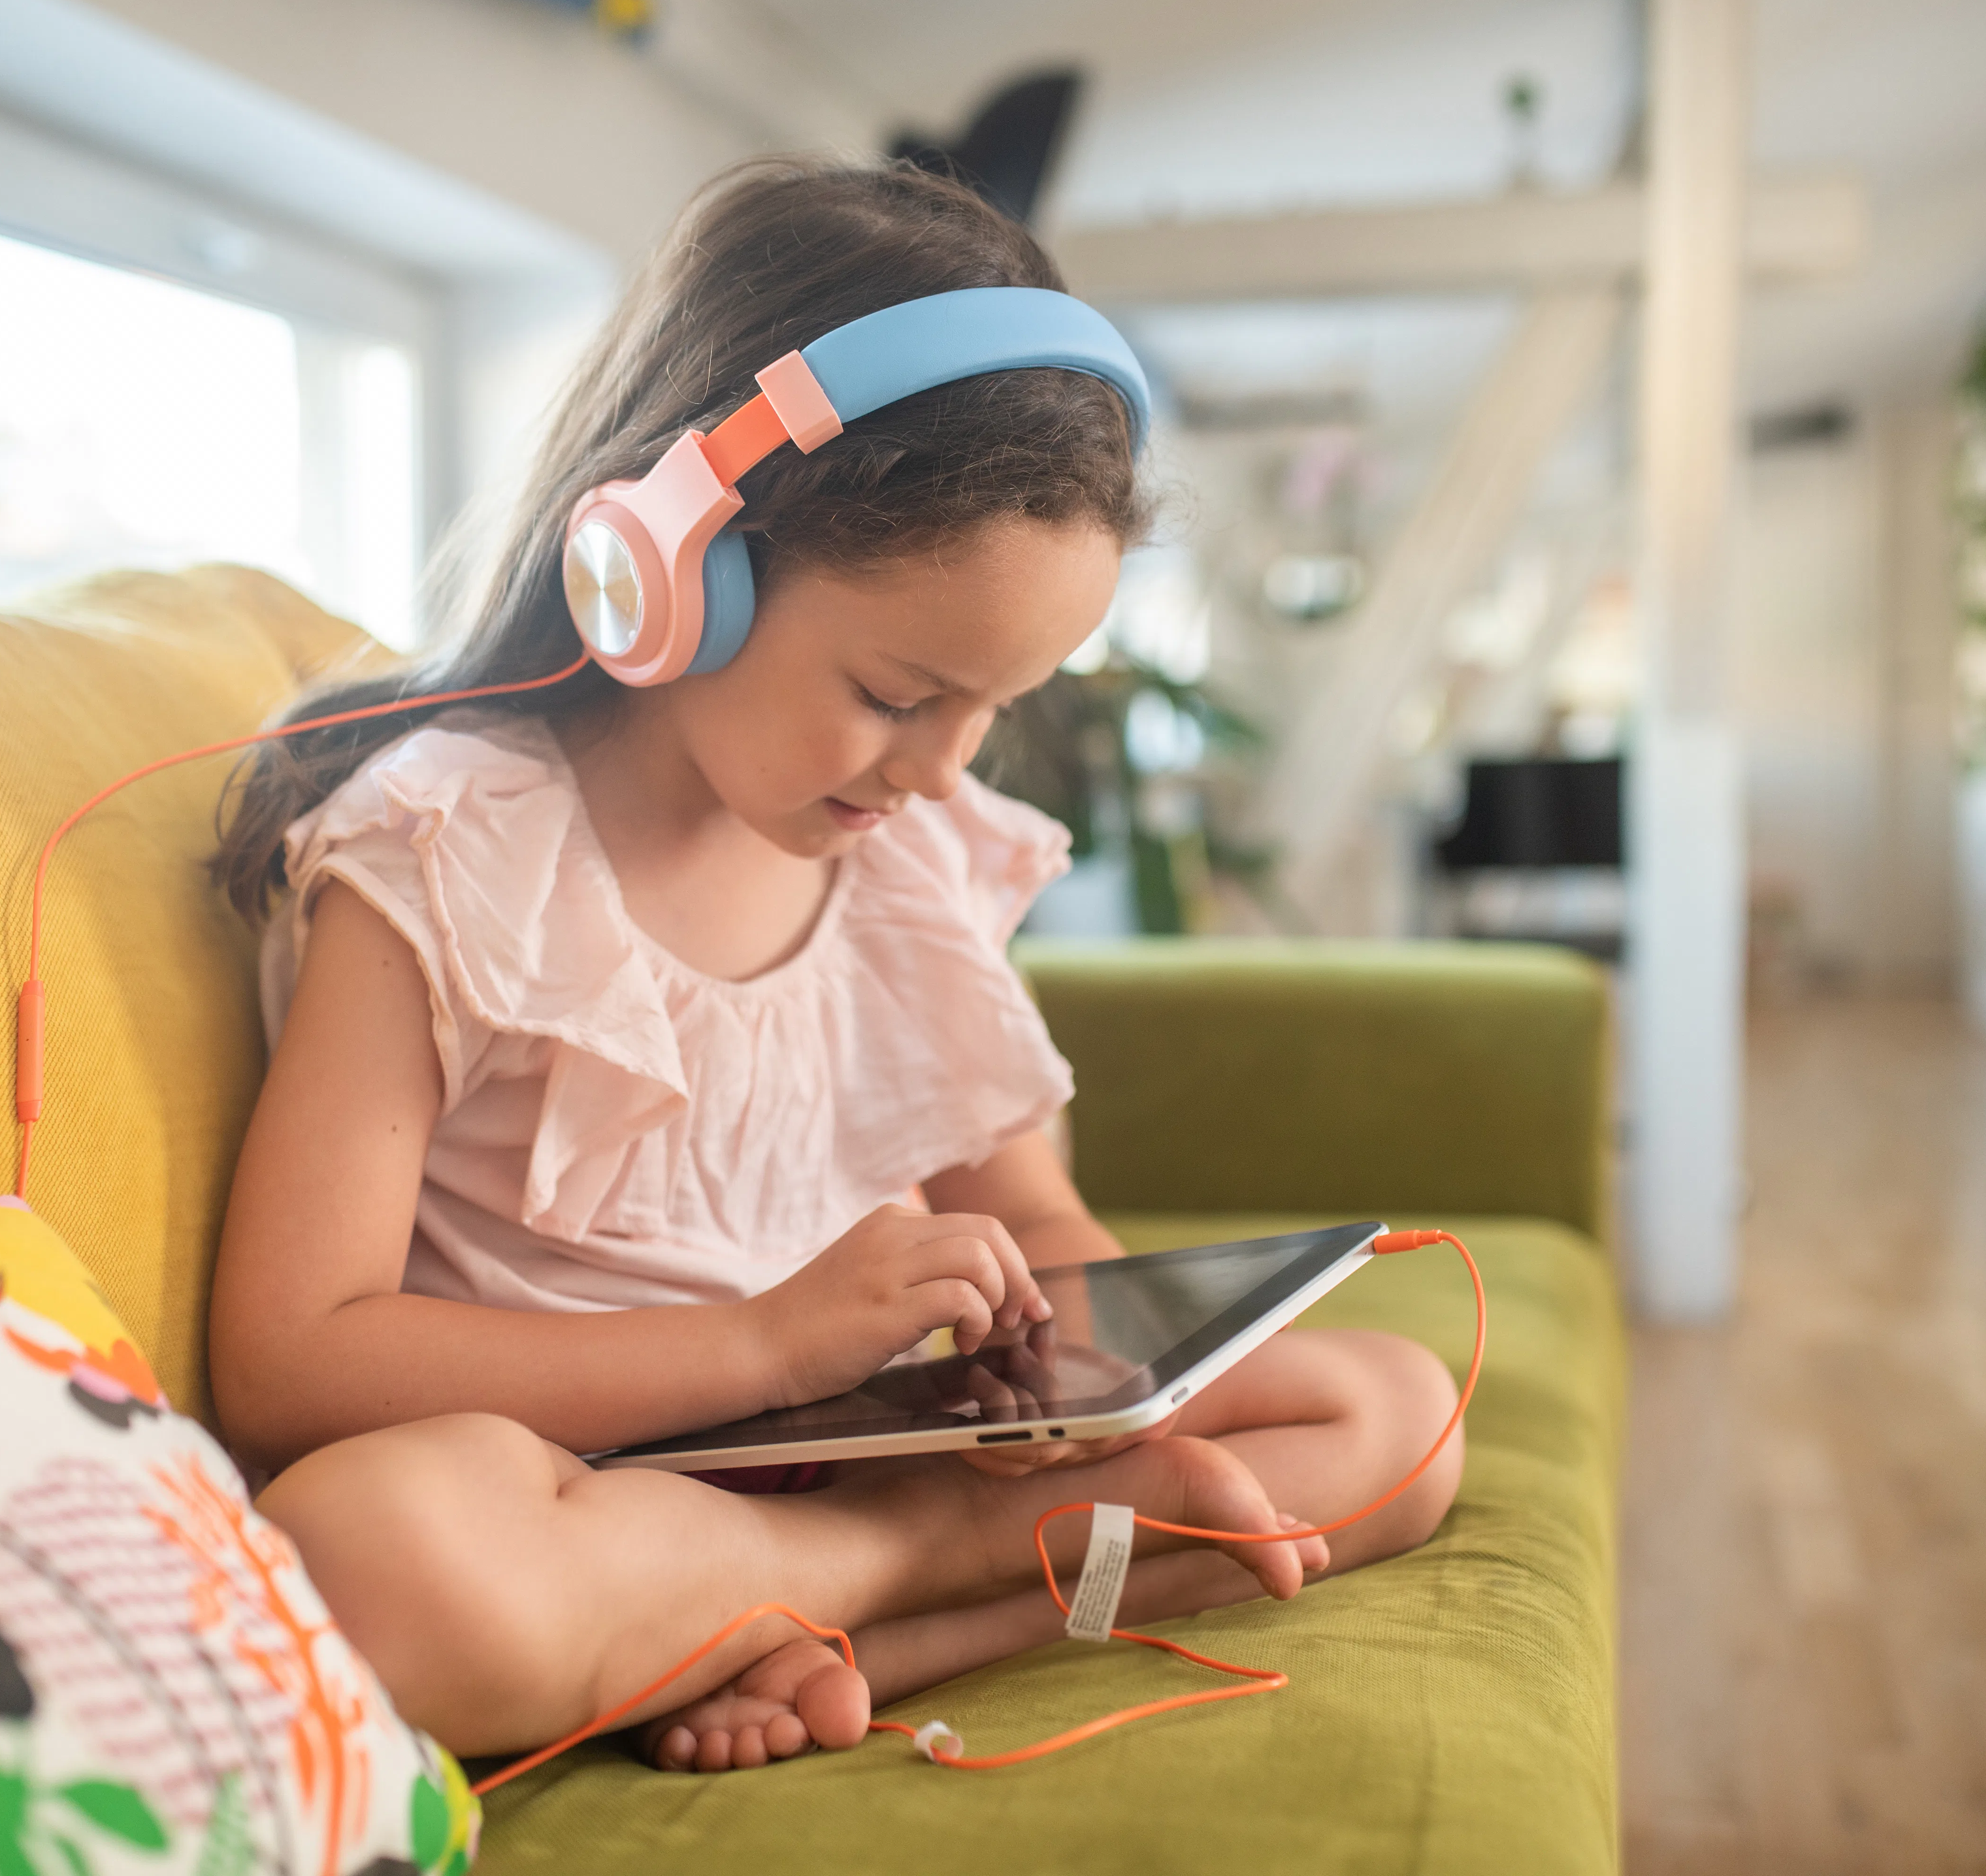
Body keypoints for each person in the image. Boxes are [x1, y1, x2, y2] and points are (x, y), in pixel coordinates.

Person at [203, 156, 1463, 1776]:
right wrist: (760, 1348)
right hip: (586, 1489)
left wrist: (1084, 1376)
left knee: (1398, 1417)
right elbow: (290, 1362)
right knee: (382, 1562)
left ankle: (833, 1618)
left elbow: (1041, 1224)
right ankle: (897, 1590)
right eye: (895, 692)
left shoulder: (916, 853)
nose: (941, 771)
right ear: (677, 570)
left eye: (994, 709)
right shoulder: (447, 851)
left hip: (876, 1462)